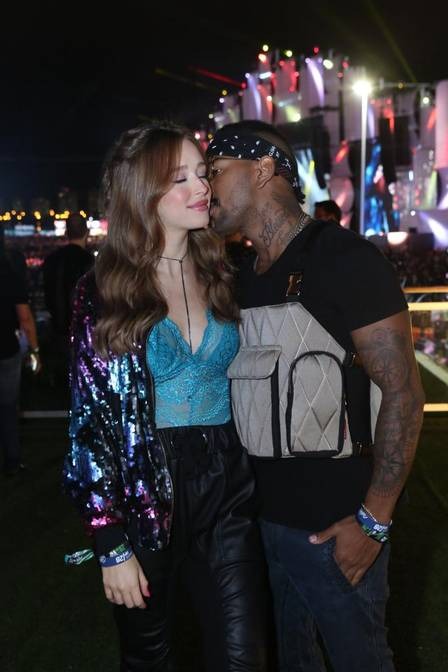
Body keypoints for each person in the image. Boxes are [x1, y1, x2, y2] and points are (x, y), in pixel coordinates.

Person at [206, 120, 425, 672]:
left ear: (262, 169)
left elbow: (402, 393)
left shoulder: (344, 259)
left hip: (336, 527)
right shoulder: (243, 276)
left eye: (215, 171)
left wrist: (373, 522)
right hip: (264, 526)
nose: (206, 187)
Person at [63, 121, 268, 672]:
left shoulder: (224, 273)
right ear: (143, 193)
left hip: (227, 481)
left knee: (245, 656)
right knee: (152, 658)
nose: (202, 187)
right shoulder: (104, 289)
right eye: (181, 178)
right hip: (146, 489)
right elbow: (90, 423)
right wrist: (109, 540)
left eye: (203, 173)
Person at [0, 252, 41, 476]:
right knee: (8, 407)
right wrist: (34, 350)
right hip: (7, 348)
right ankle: (12, 459)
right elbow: (25, 318)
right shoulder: (11, 277)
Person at [43, 212, 94, 338]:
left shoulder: (51, 260)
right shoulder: (90, 261)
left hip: (56, 330)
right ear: (86, 232)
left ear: (66, 233)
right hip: (82, 332)